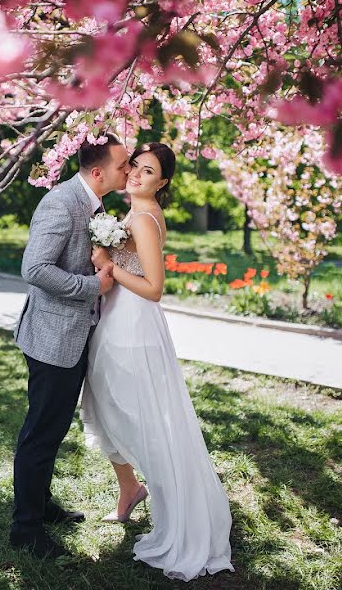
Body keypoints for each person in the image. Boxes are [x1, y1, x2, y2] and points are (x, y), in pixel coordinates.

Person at [82, 142, 235, 581]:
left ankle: (176, 508)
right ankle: (130, 490)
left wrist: (108, 264)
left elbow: (153, 287)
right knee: (108, 407)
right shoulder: (132, 213)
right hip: (116, 321)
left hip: (133, 327)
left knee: (138, 416)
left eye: (147, 172)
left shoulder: (145, 218)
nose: (135, 175)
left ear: (161, 182)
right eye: (134, 166)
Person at [10, 134, 130, 559]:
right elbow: (35, 268)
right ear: (98, 172)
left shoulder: (94, 204)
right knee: (41, 432)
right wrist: (91, 286)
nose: (129, 170)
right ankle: (25, 530)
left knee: (54, 427)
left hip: (75, 335)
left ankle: (41, 505)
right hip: (51, 338)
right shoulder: (61, 203)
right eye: (123, 165)